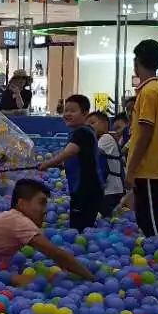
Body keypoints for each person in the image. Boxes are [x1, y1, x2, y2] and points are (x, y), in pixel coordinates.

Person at [0, 179, 95, 281]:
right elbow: (56, 253)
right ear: (22, 204)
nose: (45, 210)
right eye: (41, 203)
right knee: (33, 282)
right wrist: (90, 277)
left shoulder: (10, 216)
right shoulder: (20, 221)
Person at [125, 38, 158, 239]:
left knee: (150, 222)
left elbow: (145, 133)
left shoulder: (149, 92)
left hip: (148, 168)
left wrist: (131, 168)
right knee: (145, 217)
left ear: (137, 62)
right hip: (152, 166)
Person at [40, 94, 107, 233]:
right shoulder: (83, 132)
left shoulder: (82, 132)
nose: (67, 114)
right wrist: (62, 164)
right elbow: (80, 157)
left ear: (85, 114)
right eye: (66, 110)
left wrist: (48, 163)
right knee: (81, 223)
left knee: (79, 226)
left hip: (87, 189)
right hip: (87, 188)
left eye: (72, 111)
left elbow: (69, 152)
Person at [90, 110, 125, 217]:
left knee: (105, 217)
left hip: (112, 189)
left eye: (92, 123)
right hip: (109, 189)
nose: (89, 127)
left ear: (105, 123)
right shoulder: (101, 139)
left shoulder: (106, 138)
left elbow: (91, 155)